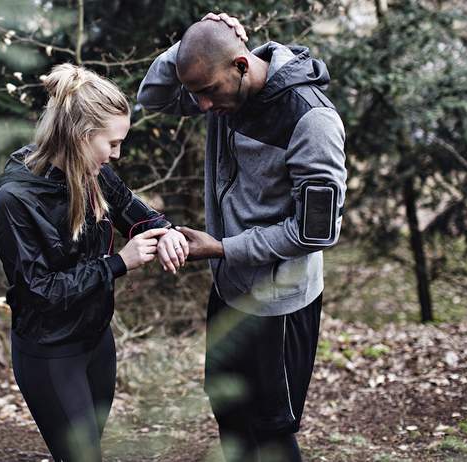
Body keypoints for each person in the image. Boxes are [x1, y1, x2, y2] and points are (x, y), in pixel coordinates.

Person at [138, 13, 347, 462]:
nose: (203, 106)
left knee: (271, 429)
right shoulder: (221, 89)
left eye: (208, 92)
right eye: (197, 94)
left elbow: (315, 232)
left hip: (280, 304)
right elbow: (151, 94)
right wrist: (195, 38)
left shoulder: (312, 121)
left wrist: (221, 248)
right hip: (229, 287)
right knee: (229, 412)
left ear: (241, 65)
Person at [0, 63, 189, 462]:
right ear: (81, 136)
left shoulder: (91, 173)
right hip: (50, 351)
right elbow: (40, 291)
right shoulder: (14, 200)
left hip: (96, 341)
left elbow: (134, 210)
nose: (117, 154)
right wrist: (119, 263)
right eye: (111, 143)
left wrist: (168, 232)